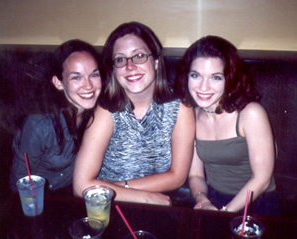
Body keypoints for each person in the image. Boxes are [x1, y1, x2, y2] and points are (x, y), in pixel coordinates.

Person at [73, 22, 195, 205]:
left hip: (125, 198)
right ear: (113, 69)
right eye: (121, 60)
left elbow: (177, 176)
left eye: (139, 56)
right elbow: (80, 185)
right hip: (109, 205)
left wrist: (116, 188)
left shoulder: (180, 108)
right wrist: (144, 197)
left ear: (155, 61)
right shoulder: (106, 111)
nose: (130, 66)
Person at [175, 35, 279, 215]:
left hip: (257, 202)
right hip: (214, 199)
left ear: (229, 79)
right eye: (196, 75)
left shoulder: (251, 114)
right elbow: (196, 175)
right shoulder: (189, 114)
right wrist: (202, 200)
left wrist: (224, 213)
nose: (203, 87)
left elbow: (261, 180)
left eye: (215, 77)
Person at [9, 39, 102, 193]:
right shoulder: (40, 125)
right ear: (58, 82)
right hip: (44, 199)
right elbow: (19, 183)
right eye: (76, 77)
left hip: (77, 194)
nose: (89, 85)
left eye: (94, 74)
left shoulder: (99, 115)